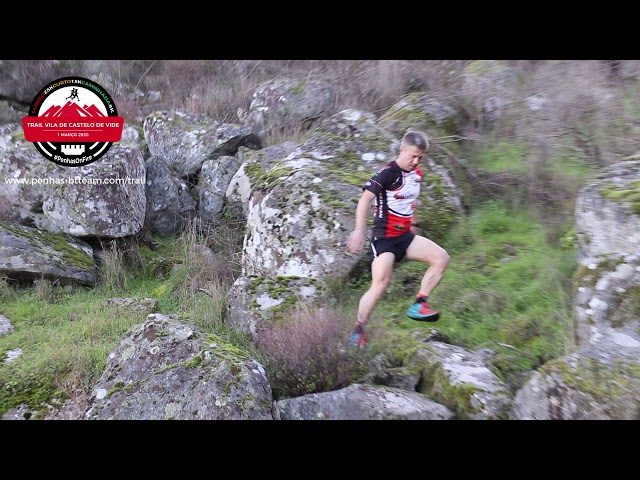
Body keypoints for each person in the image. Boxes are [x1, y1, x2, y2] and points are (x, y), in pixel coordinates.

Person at [345, 130, 450, 347]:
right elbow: (364, 200)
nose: (416, 161)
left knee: (441, 258)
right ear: (402, 150)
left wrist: (415, 225)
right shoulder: (387, 173)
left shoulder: (417, 174)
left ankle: (419, 304)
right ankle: (358, 331)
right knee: (380, 285)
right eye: (413, 156)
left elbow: (411, 201)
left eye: (420, 157)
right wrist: (359, 230)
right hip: (384, 240)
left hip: (405, 237)